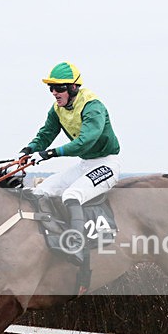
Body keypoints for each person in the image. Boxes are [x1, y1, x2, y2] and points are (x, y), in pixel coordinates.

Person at [18, 62, 121, 264]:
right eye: (51, 88)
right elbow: (46, 134)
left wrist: (49, 154)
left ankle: (76, 244)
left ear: (73, 88)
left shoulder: (93, 107)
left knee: (72, 195)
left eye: (59, 88)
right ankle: (48, 238)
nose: (55, 93)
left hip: (107, 164)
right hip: (86, 164)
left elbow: (85, 142)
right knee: (40, 192)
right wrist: (29, 149)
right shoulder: (57, 109)